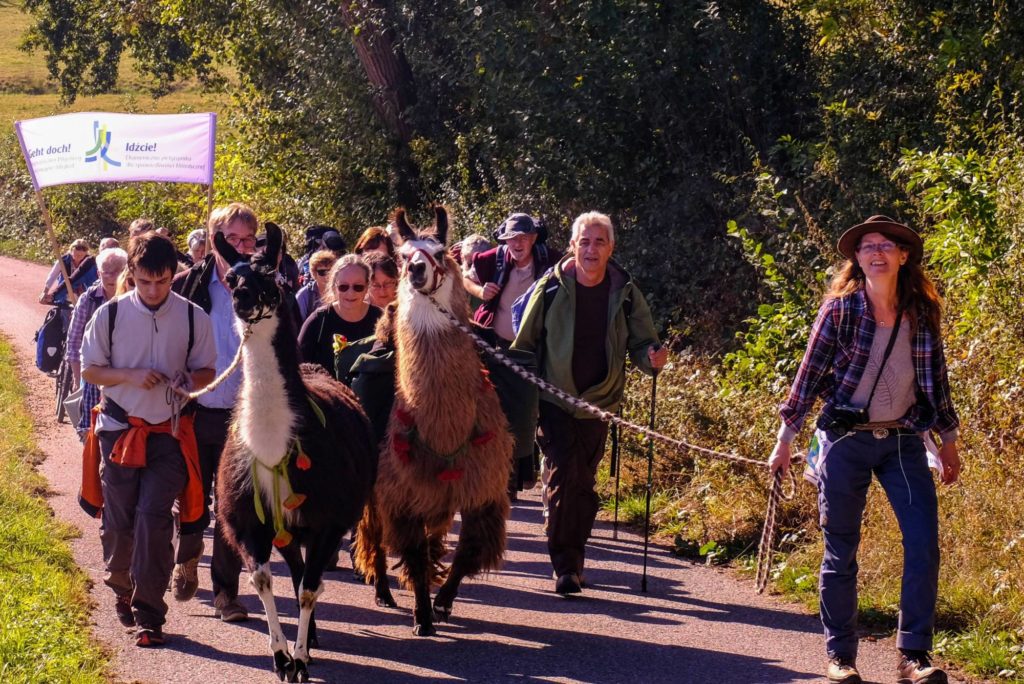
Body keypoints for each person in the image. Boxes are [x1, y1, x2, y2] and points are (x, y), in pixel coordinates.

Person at [769, 215, 961, 684]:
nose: (875, 253)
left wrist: (949, 442)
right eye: (866, 247)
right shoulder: (840, 310)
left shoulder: (921, 312)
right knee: (841, 550)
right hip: (845, 442)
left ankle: (913, 656)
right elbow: (807, 378)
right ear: (857, 259)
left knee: (923, 545)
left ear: (903, 256)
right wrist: (783, 444)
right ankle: (841, 657)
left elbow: (936, 383)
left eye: (885, 246)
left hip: (902, 442)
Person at [512, 211, 667, 596]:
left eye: (599, 242)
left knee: (583, 481)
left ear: (611, 248)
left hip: (600, 402)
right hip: (553, 398)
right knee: (567, 473)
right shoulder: (550, 287)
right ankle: (566, 566)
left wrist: (651, 358)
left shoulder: (625, 292)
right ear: (572, 246)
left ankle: (570, 554)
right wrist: (519, 397)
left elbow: (642, 341)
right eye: (584, 241)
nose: (591, 249)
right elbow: (525, 345)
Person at [80, 232, 216, 647]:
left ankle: (149, 613)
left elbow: (207, 372)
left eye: (162, 281)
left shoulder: (194, 317)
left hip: (170, 432)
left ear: (174, 274)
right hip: (120, 430)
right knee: (119, 520)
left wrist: (188, 380)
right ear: (132, 274)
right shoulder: (110, 315)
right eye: (144, 281)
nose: (154, 290)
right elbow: (89, 370)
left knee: (154, 518)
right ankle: (122, 586)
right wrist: (130, 375)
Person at [172, 202, 258, 623]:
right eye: (231, 238)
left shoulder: (260, 285)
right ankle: (187, 555)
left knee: (233, 507)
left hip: (242, 418)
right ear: (214, 240)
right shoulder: (188, 284)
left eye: (247, 239)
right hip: (195, 409)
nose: (240, 247)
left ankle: (226, 593)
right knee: (192, 501)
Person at [465, 213, 561, 346]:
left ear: (533, 239)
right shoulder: (493, 259)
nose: (517, 243)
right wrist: (481, 292)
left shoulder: (550, 260)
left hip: (536, 346)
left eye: (524, 237)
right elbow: (465, 279)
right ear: (505, 240)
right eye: (512, 237)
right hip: (497, 343)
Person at [66, 247, 128, 439]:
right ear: (99, 273)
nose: (111, 276)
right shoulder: (89, 300)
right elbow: (75, 341)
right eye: (106, 271)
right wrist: (78, 379)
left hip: (127, 377)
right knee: (93, 432)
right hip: (95, 377)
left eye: (117, 270)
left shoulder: (135, 299)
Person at [298, 254, 382, 376]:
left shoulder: (381, 319)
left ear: (367, 286)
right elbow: (298, 367)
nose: (350, 293)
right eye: (343, 287)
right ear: (334, 287)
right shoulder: (318, 321)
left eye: (358, 287)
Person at [40, 238, 94, 304]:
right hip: (64, 292)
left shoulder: (89, 263)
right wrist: (45, 292)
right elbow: (52, 276)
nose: (80, 252)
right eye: (78, 248)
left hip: (83, 293)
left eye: (84, 249)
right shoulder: (63, 260)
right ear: (71, 249)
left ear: (86, 252)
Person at [295, 250, 338, 323]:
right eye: (322, 272)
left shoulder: (341, 291)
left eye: (330, 271)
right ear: (314, 273)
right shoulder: (304, 295)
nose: (327, 276)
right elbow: (297, 323)